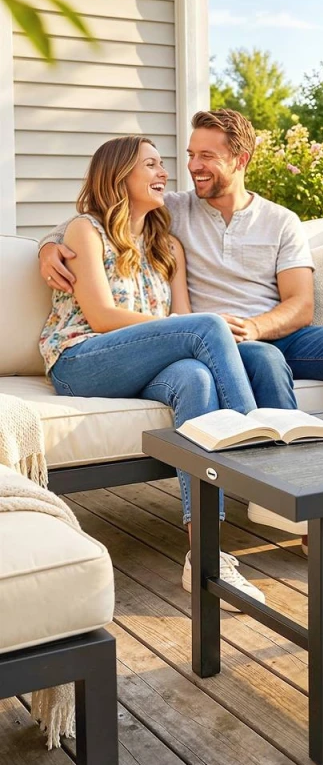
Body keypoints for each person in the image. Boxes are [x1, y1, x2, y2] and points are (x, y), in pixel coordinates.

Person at [39, 109, 323, 577]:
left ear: (240, 159)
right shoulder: (169, 209)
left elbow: (297, 305)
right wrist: (46, 246)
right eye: (180, 158)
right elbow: (88, 240)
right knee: (223, 342)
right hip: (126, 346)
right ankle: (274, 477)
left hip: (255, 333)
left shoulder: (203, 231)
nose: (185, 168)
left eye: (205, 156)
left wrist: (253, 326)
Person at [39, 135, 265, 609]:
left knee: (196, 379)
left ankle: (206, 553)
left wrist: (190, 332)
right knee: (202, 327)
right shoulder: (86, 230)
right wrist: (190, 329)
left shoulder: (167, 246)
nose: (165, 173)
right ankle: (261, 458)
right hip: (83, 361)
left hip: (143, 366)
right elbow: (101, 317)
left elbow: (182, 331)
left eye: (164, 165)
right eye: (152, 165)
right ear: (119, 175)